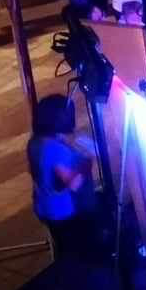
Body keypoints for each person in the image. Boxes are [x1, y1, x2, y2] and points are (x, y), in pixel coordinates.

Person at [29, 94, 99, 262]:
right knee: (76, 252)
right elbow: (73, 184)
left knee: (63, 246)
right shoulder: (55, 150)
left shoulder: (34, 142)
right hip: (63, 212)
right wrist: (88, 161)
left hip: (44, 207)